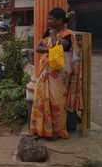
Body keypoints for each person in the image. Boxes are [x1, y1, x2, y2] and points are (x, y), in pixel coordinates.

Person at [30, 7, 82, 140]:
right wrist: (49, 47)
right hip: (46, 72)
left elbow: (60, 47)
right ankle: (42, 129)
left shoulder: (69, 34)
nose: (48, 21)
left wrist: (53, 38)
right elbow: (38, 48)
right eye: (48, 18)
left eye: (51, 19)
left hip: (60, 75)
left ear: (60, 20)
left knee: (57, 102)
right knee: (41, 100)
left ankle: (57, 131)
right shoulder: (48, 32)